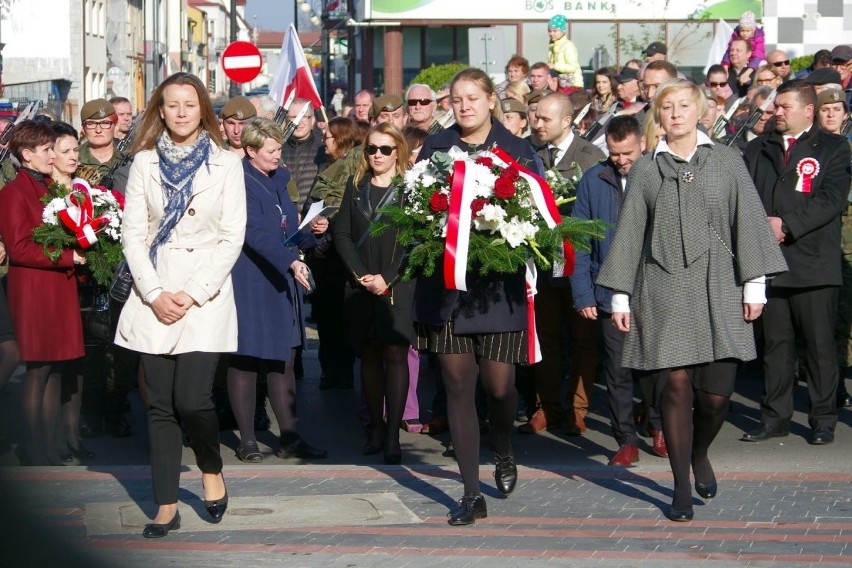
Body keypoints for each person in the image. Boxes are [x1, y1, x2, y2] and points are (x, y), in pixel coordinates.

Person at [596, 79, 787, 521]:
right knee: (676, 386)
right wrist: (621, 298)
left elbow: (749, 222)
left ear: (701, 111)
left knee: (717, 397)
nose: (676, 113)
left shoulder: (727, 160)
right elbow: (629, 237)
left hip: (720, 284)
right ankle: (680, 485)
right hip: (662, 286)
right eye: (667, 107)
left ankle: (700, 452)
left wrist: (754, 285)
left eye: (684, 106)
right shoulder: (645, 168)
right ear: (657, 115)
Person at [115, 72, 246, 537]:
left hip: (204, 294)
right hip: (154, 290)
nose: (182, 112)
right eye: (172, 105)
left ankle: (211, 468)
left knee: (193, 399)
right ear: (161, 111)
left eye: (190, 104)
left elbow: (232, 237)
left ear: (202, 109)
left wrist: (191, 293)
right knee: (160, 406)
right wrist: (153, 293)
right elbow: (133, 234)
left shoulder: (227, 163)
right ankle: (165, 503)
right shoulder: (144, 162)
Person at [414, 67, 539, 526]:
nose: (464, 106)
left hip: (497, 289)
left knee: (500, 388)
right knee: (458, 386)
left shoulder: (517, 149)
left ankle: (504, 447)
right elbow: (417, 206)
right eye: (457, 99)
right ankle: (470, 494)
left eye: (473, 97)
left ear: (491, 100)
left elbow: (537, 215)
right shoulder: (435, 147)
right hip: (447, 290)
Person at [741, 80, 852, 446]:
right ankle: (775, 416)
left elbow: (832, 199)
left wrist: (787, 225)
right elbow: (747, 198)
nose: (776, 112)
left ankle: (823, 418)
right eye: (776, 107)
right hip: (771, 264)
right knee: (776, 346)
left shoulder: (834, 147)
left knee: (819, 348)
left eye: (784, 106)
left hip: (814, 264)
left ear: (808, 110)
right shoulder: (758, 148)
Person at [227, 118, 327, 464]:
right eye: (270, 150)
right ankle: (248, 440)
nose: (277, 155)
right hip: (250, 280)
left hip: (282, 278)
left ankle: (290, 436)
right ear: (250, 150)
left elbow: (286, 229)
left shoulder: (279, 180)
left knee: (284, 360)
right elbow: (254, 232)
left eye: (279, 148)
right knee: (246, 359)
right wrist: (290, 262)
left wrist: (312, 231)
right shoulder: (240, 181)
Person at [0, 120, 86, 467]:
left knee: (56, 369)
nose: (53, 155)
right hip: (34, 289)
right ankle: (33, 447)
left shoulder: (51, 187)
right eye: (47, 149)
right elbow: (19, 248)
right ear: (27, 154)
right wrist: (70, 256)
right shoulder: (13, 193)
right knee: (38, 370)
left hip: (58, 286)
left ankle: (49, 444)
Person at [521, 92, 605, 436]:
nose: (536, 124)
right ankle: (546, 406)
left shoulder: (589, 157)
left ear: (566, 121)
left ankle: (577, 408)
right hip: (541, 261)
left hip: (577, 261)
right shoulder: (528, 152)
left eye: (544, 119)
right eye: (535, 117)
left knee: (583, 339)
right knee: (545, 336)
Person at [334, 123, 414, 464]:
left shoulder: (412, 189)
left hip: (397, 285)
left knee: (395, 357)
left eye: (385, 149)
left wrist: (388, 278)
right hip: (361, 285)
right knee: (368, 357)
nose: (377, 155)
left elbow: (417, 241)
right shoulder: (356, 188)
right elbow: (342, 234)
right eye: (372, 149)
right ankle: (376, 428)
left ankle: (394, 432)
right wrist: (362, 275)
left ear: (398, 151)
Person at [571, 115, 648, 465]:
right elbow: (580, 239)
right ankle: (626, 439)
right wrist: (583, 294)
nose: (621, 160)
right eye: (615, 153)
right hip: (607, 290)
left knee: (656, 368)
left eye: (628, 152)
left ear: (642, 143)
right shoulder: (594, 179)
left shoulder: (657, 174)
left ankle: (660, 426)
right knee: (617, 371)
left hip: (652, 288)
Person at [48, 121, 96, 463]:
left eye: (74, 151)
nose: (73, 157)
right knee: (54, 367)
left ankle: (72, 434)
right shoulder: (46, 192)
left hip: (85, 284)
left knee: (78, 365)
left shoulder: (84, 187)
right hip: (56, 285)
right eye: (65, 151)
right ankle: (50, 437)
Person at [306, 116, 361, 391]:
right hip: (323, 254)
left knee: (340, 315)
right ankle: (331, 369)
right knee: (327, 316)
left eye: (328, 135)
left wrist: (330, 221)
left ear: (341, 139)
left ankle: (341, 370)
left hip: (341, 254)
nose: (324, 139)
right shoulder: (330, 166)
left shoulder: (353, 169)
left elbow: (348, 207)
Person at [281, 98, 325, 212]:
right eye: (293, 117)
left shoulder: (323, 148)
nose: (298, 122)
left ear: (313, 120)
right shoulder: (277, 149)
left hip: (313, 220)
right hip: (284, 219)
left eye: (304, 116)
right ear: (286, 120)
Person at [546, 14, 583, 88]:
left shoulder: (568, 46)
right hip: (561, 85)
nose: (551, 33)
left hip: (572, 86)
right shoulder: (552, 46)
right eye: (550, 31)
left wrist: (554, 66)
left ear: (563, 31)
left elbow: (573, 68)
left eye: (555, 31)